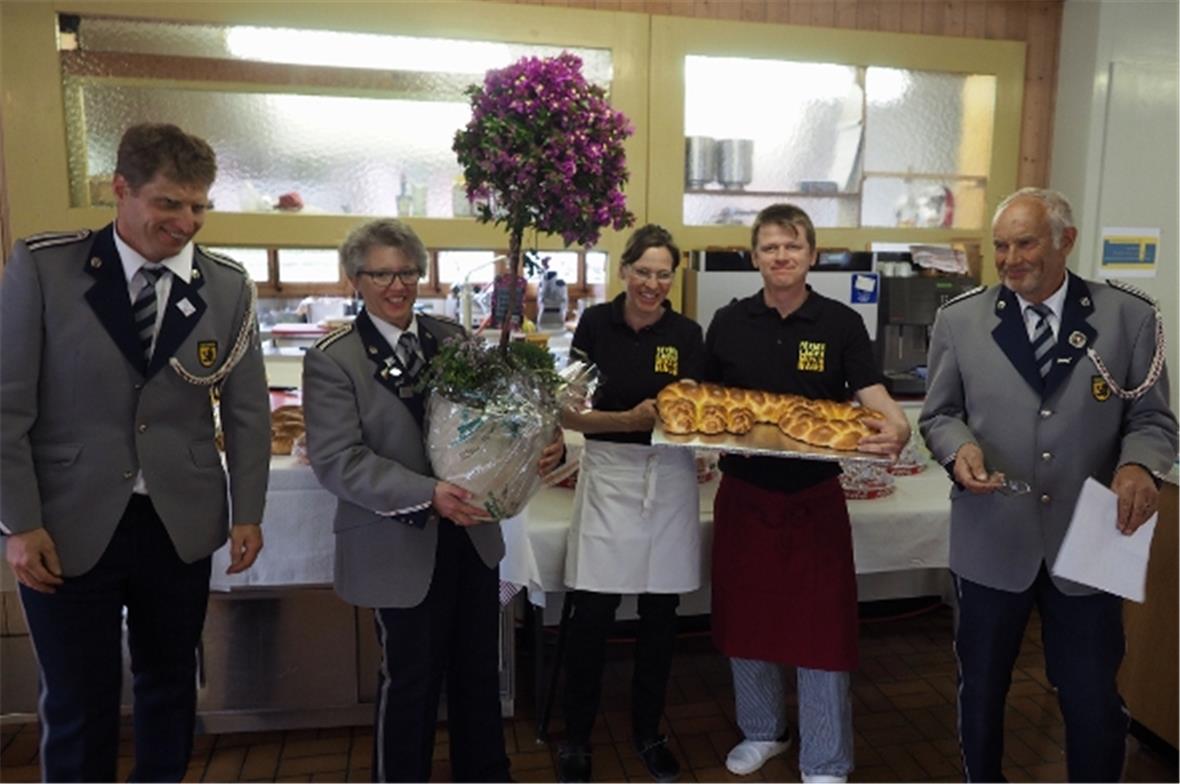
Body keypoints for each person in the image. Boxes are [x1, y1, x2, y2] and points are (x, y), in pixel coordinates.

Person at [0, 122, 271, 781]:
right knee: (77, 700)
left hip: (178, 522)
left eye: (199, 206)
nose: (186, 223)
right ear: (121, 190)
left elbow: (246, 410)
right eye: (169, 203)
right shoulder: (46, 267)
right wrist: (19, 522)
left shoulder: (227, 286)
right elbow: (8, 405)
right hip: (66, 522)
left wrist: (247, 512)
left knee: (171, 684)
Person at [918, 187, 1177, 782]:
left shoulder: (1129, 317)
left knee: (1091, 697)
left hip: (1090, 538)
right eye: (1001, 246)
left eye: (1025, 242)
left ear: (1066, 240)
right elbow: (939, 414)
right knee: (980, 691)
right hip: (991, 538)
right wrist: (960, 448)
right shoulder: (960, 319)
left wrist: (1139, 464)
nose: (1011, 259)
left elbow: (1153, 420)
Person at [301, 218, 562, 782]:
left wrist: (542, 440)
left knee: (477, 669)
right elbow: (339, 461)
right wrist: (429, 494)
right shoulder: (334, 359)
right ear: (355, 279)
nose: (397, 286)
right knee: (412, 678)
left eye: (408, 272)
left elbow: (502, 418)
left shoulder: (451, 337)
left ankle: (486, 774)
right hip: (398, 539)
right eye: (381, 274)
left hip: (470, 535)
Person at [704, 204, 910, 783]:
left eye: (792, 247)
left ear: (812, 256)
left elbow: (870, 390)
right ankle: (762, 731)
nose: (781, 257)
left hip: (815, 497)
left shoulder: (840, 323)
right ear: (755, 258)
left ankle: (826, 757)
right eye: (770, 247)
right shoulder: (730, 321)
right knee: (747, 619)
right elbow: (702, 401)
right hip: (743, 492)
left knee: (822, 628)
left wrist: (899, 424)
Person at [556, 224, 706, 783]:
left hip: (668, 479)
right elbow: (567, 411)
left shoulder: (687, 333)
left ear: (673, 278)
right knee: (592, 613)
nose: (651, 284)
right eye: (642, 271)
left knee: (661, 616)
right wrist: (629, 421)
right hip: (609, 475)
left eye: (663, 274)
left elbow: (694, 414)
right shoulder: (596, 324)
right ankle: (576, 738)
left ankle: (648, 730)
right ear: (624, 271)